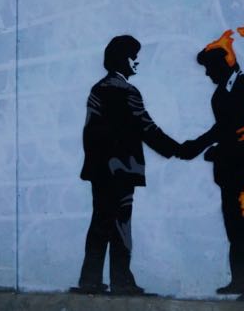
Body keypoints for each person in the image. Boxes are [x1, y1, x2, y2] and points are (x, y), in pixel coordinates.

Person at [75, 35, 179, 295]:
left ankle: (89, 280)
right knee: (121, 225)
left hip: (100, 171)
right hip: (122, 170)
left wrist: (95, 163)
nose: (137, 62)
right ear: (123, 59)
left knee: (100, 224)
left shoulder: (98, 89)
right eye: (134, 57)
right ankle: (122, 282)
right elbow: (147, 127)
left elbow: (89, 131)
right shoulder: (127, 91)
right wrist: (176, 149)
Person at [178, 46, 244, 302]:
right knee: (234, 225)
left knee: (242, 225)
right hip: (231, 171)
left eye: (209, 68)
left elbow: (240, 130)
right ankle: (242, 280)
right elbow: (223, 128)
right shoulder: (224, 91)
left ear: (223, 65)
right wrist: (201, 147)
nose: (207, 73)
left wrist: (208, 149)